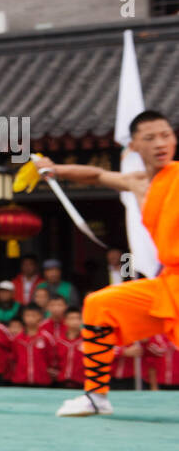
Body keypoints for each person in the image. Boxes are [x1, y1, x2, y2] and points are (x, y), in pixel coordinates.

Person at [40, 112, 177, 415]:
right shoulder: (139, 183)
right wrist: (56, 168)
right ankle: (96, 397)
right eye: (150, 137)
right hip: (170, 282)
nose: (160, 143)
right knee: (100, 305)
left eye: (166, 135)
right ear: (133, 147)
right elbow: (96, 176)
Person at [8, 304, 56, 386]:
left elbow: (52, 358)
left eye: (33, 315)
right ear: (23, 317)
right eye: (27, 315)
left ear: (40, 317)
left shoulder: (46, 337)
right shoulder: (17, 339)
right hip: (20, 380)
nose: (30, 318)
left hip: (42, 380)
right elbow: (14, 358)